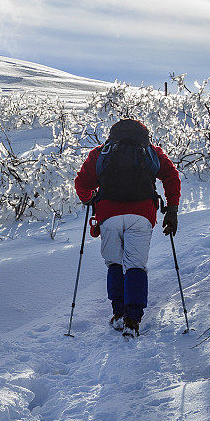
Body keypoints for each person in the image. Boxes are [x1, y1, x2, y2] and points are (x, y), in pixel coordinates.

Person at [74, 119, 181, 338]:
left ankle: (119, 313)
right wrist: (172, 210)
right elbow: (172, 176)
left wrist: (89, 200)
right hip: (142, 215)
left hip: (108, 215)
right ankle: (133, 320)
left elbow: (82, 184)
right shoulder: (151, 151)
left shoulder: (101, 152)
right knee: (135, 265)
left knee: (114, 262)